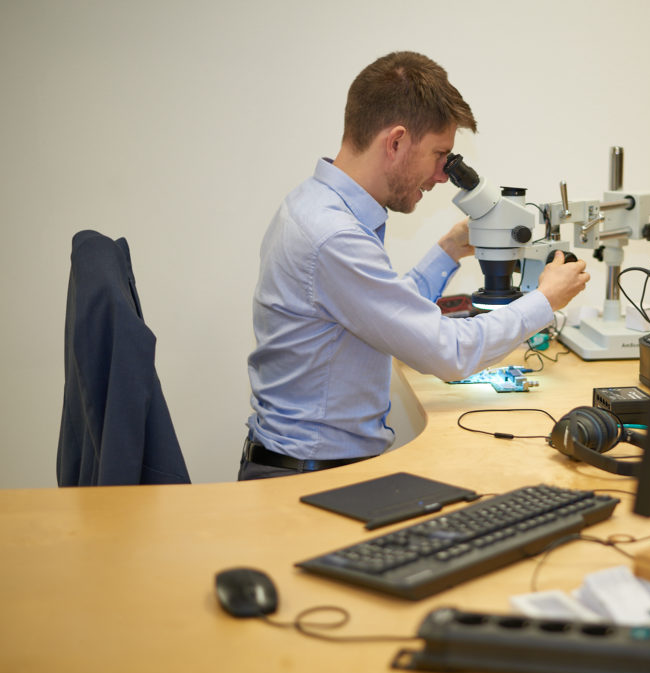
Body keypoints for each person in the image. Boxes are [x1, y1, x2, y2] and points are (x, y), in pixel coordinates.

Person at [240, 51, 590, 480]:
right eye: (440, 155)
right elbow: (450, 352)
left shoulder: (315, 204)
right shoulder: (334, 237)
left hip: (312, 464)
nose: (443, 176)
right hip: (309, 478)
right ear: (397, 142)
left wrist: (447, 250)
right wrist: (544, 299)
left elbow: (381, 311)